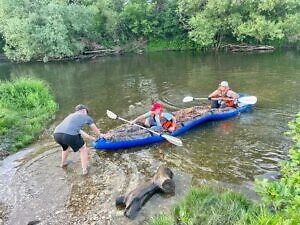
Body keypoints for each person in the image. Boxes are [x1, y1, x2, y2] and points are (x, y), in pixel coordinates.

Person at [53, 104, 107, 175]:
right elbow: (93, 127)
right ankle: (84, 170)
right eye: (87, 113)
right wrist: (100, 135)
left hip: (57, 134)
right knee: (83, 148)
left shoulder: (70, 116)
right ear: (84, 111)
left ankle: (63, 164)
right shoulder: (85, 116)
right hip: (68, 135)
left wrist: (92, 138)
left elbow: (79, 131)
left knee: (66, 147)